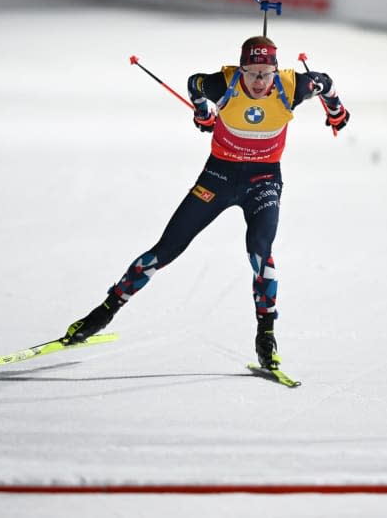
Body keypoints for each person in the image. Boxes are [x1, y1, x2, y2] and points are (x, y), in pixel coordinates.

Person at [61, 35, 349, 370]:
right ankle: (104, 312)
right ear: (241, 69)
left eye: (265, 73)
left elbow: (325, 83)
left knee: (261, 252)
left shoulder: (292, 85)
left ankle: (266, 335)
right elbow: (194, 84)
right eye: (251, 73)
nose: (258, 82)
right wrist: (203, 113)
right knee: (166, 249)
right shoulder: (224, 82)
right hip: (219, 177)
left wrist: (336, 110)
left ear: (275, 70)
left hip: (263, 181)